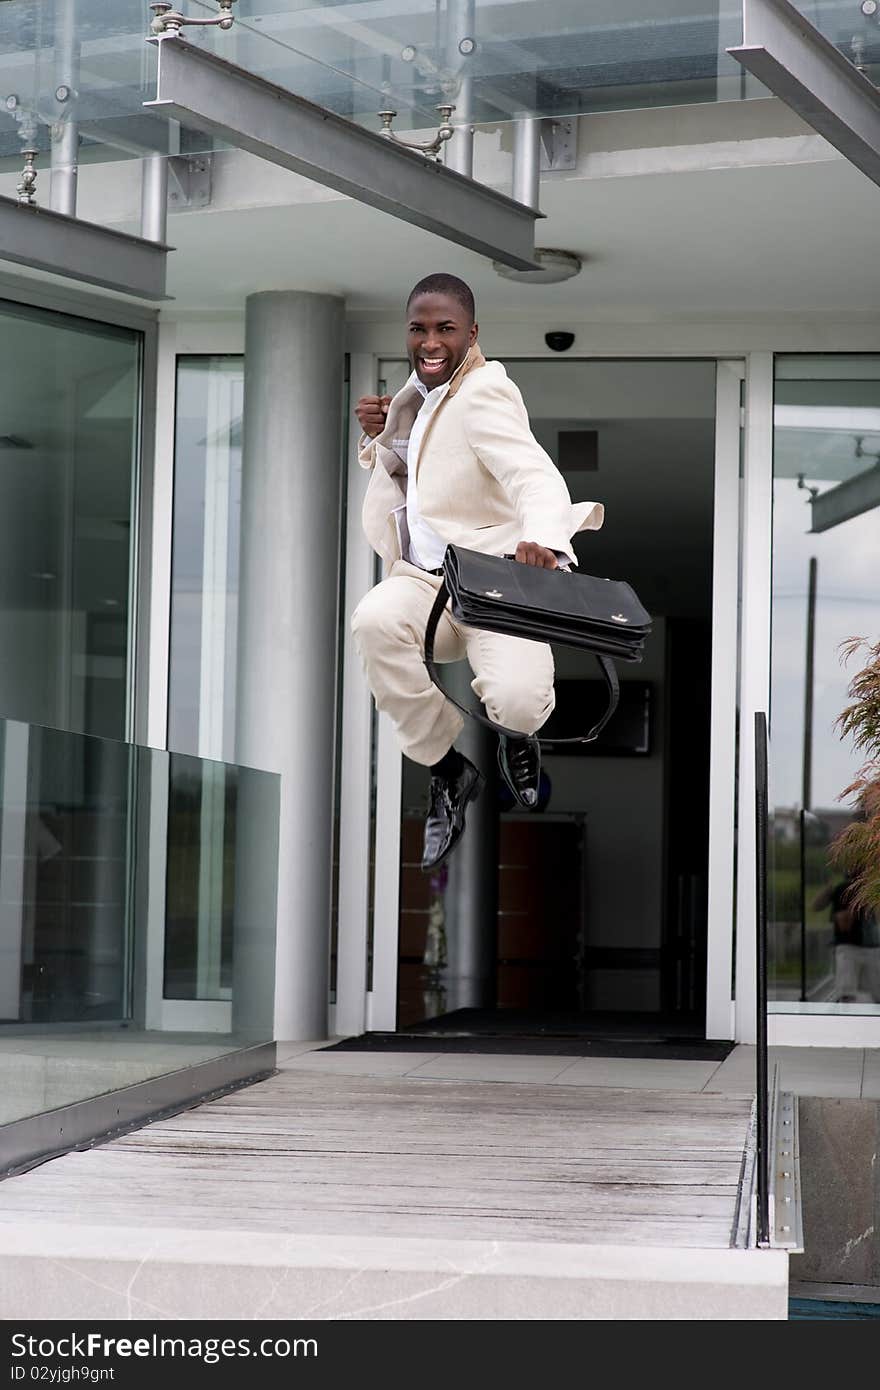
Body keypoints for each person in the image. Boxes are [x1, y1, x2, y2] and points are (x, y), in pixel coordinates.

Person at [351, 273, 603, 871]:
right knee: (373, 621)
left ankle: (520, 736)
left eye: (445, 329)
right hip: (426, 584)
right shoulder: (415, 394)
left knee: (516, 702)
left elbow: (531, 473)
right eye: (419, 328)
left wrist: (541, 536)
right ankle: (447, 768)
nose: (430, 341)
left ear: (472, 334)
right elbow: (425, 477)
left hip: (493, 583)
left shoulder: (485, 390)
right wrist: (382, 438)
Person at [812, 870, 880, 1003]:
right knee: (846, 993)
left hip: (867, 946)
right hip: (850, 946)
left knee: (853, 992)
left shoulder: (866, 891)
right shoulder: (845, 890)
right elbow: (844, 924)